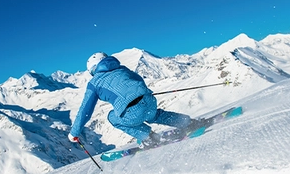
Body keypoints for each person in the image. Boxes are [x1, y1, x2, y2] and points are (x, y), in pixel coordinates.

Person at [68, 52, 207, 149]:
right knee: (156, 115)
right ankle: (188, 123)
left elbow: (85, 110)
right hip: (149, 100)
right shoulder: (123, 69)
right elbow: (138, 81)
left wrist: (74, 133)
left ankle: (148, 137)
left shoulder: (94, 82)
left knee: (112, 117)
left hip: (132, 111)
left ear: (94, 69)